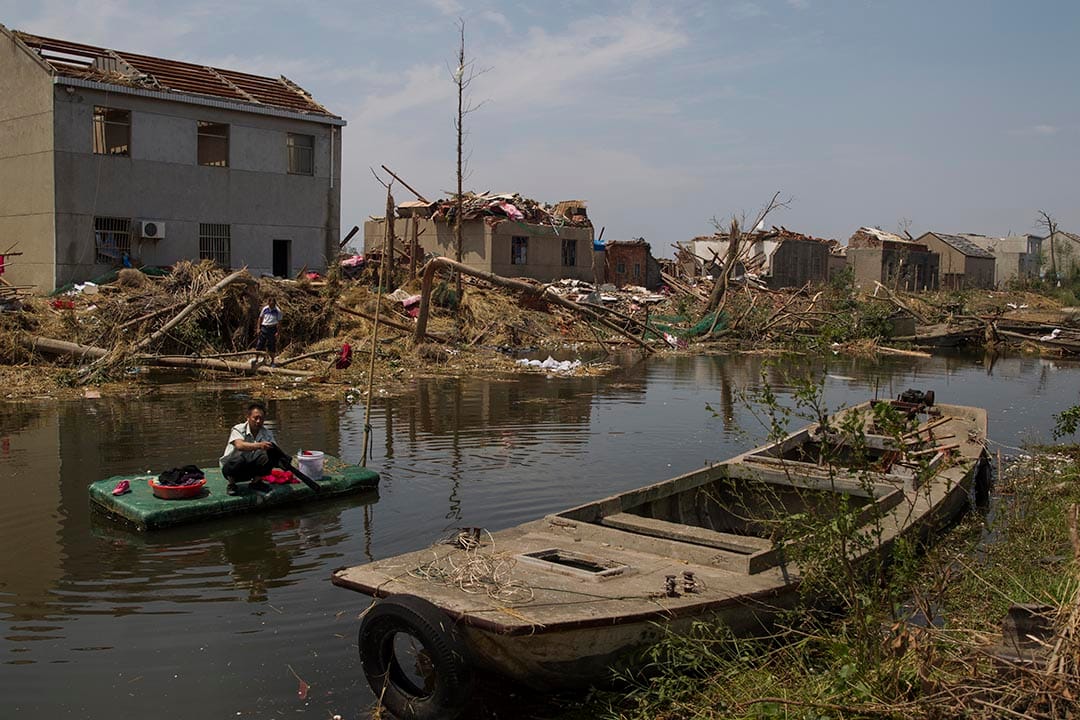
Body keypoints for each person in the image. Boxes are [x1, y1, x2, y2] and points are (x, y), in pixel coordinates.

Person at [220, 401, 279, 496]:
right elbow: (240, 445)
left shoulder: (267, 433)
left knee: (270, 456)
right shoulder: (238, 429)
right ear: (248, 417)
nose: (258, 421)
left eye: (261, 418)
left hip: (251, 470)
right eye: (255, 418)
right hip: (232, 470)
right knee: (240, 458)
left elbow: (275, 450)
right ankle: (232, 484)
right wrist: (259, 445)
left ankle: (256, 482)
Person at [254, 297, 282, 367]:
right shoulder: (265, 309)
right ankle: (256, 359)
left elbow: (279, 322)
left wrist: (278, 332)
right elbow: (260, 318)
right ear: (268, 303)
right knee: (260, 344)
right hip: (264, 328)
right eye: (270, 304)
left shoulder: (278, 311)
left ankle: (272, 361)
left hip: (272, 329)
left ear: (275, 304)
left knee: (271, 345)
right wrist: (258, 328)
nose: (271, 306)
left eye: (273, 304)